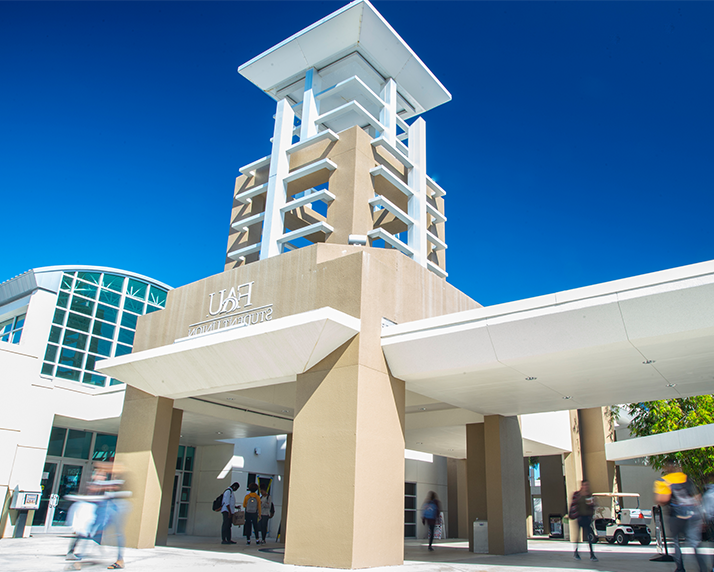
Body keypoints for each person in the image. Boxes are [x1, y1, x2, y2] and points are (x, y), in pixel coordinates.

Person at [654, 461, 706, 572]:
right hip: (692, 515)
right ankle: (703, 568)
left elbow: (662, 499)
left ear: (666, 467)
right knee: (695, 543)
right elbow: (696, 497)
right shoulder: (685, 477)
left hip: (676, 516)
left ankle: (680, 568)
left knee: (676, 543)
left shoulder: (663, 481)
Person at [571, 480, 597, 562]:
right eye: (585, 485)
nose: (586, 486)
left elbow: (592, 506)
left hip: (587, 517)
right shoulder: (577, 495)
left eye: (587, 485)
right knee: (578, 536)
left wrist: (591, 514)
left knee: (589, 536)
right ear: (582, 485)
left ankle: (592, 554)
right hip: (580, 517)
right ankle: (576, 552)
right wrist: (574, 514)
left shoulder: (589, 495)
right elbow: (573, 504)